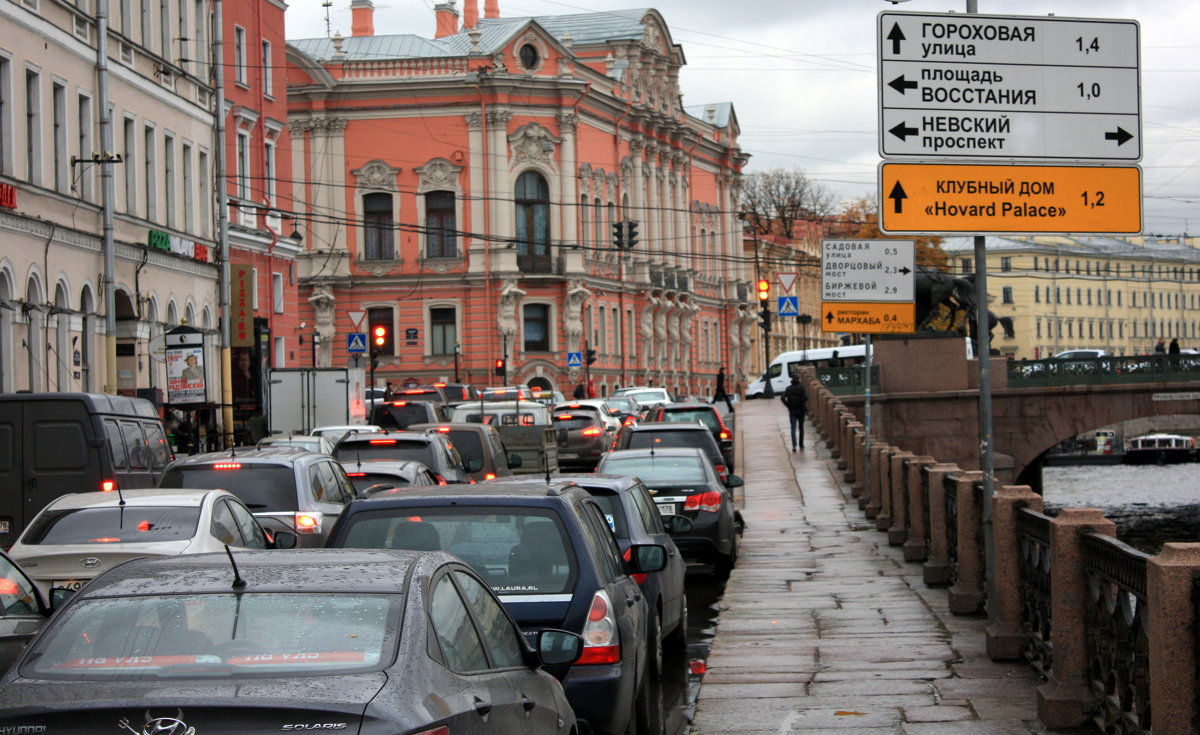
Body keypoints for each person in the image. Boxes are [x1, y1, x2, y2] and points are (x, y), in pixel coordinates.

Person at [780, 375, 807, 452]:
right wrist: (802, 400)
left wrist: (788, 405)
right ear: (798, 380)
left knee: (793, 428)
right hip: (801, 410)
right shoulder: (802, 387)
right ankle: (801, 444)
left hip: (792, 410)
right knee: (801, 427)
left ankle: (794, 445)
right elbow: (806, 398)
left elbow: (782, 398)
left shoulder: (788, 388)